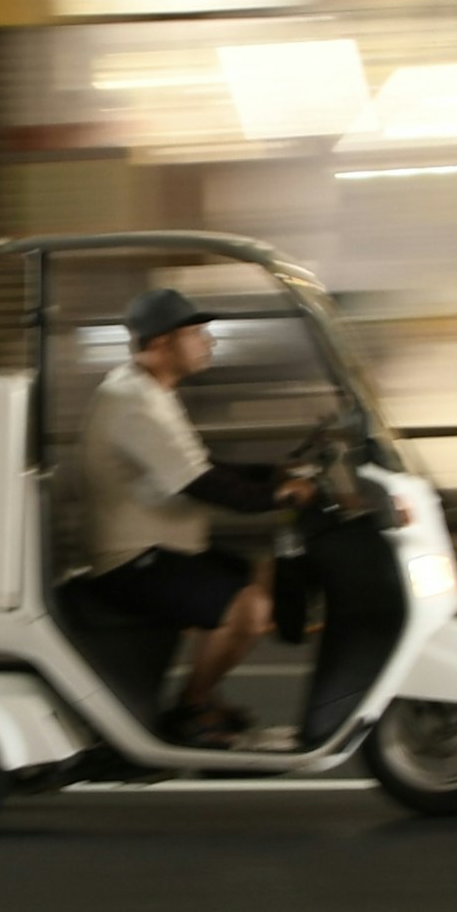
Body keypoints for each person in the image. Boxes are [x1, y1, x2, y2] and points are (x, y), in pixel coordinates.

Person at [82, 286, 304, 744]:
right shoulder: (134, 403)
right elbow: (203, 485)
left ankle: (202, 694)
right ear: (162, 343)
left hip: (167, 549)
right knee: (251, 606)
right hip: (133, 561)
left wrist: (272, 473)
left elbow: (197, 466)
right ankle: (191, 708)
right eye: (197, 333)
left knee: (266, 575)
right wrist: (279, 495)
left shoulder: (151, 391)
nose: (209, 342)